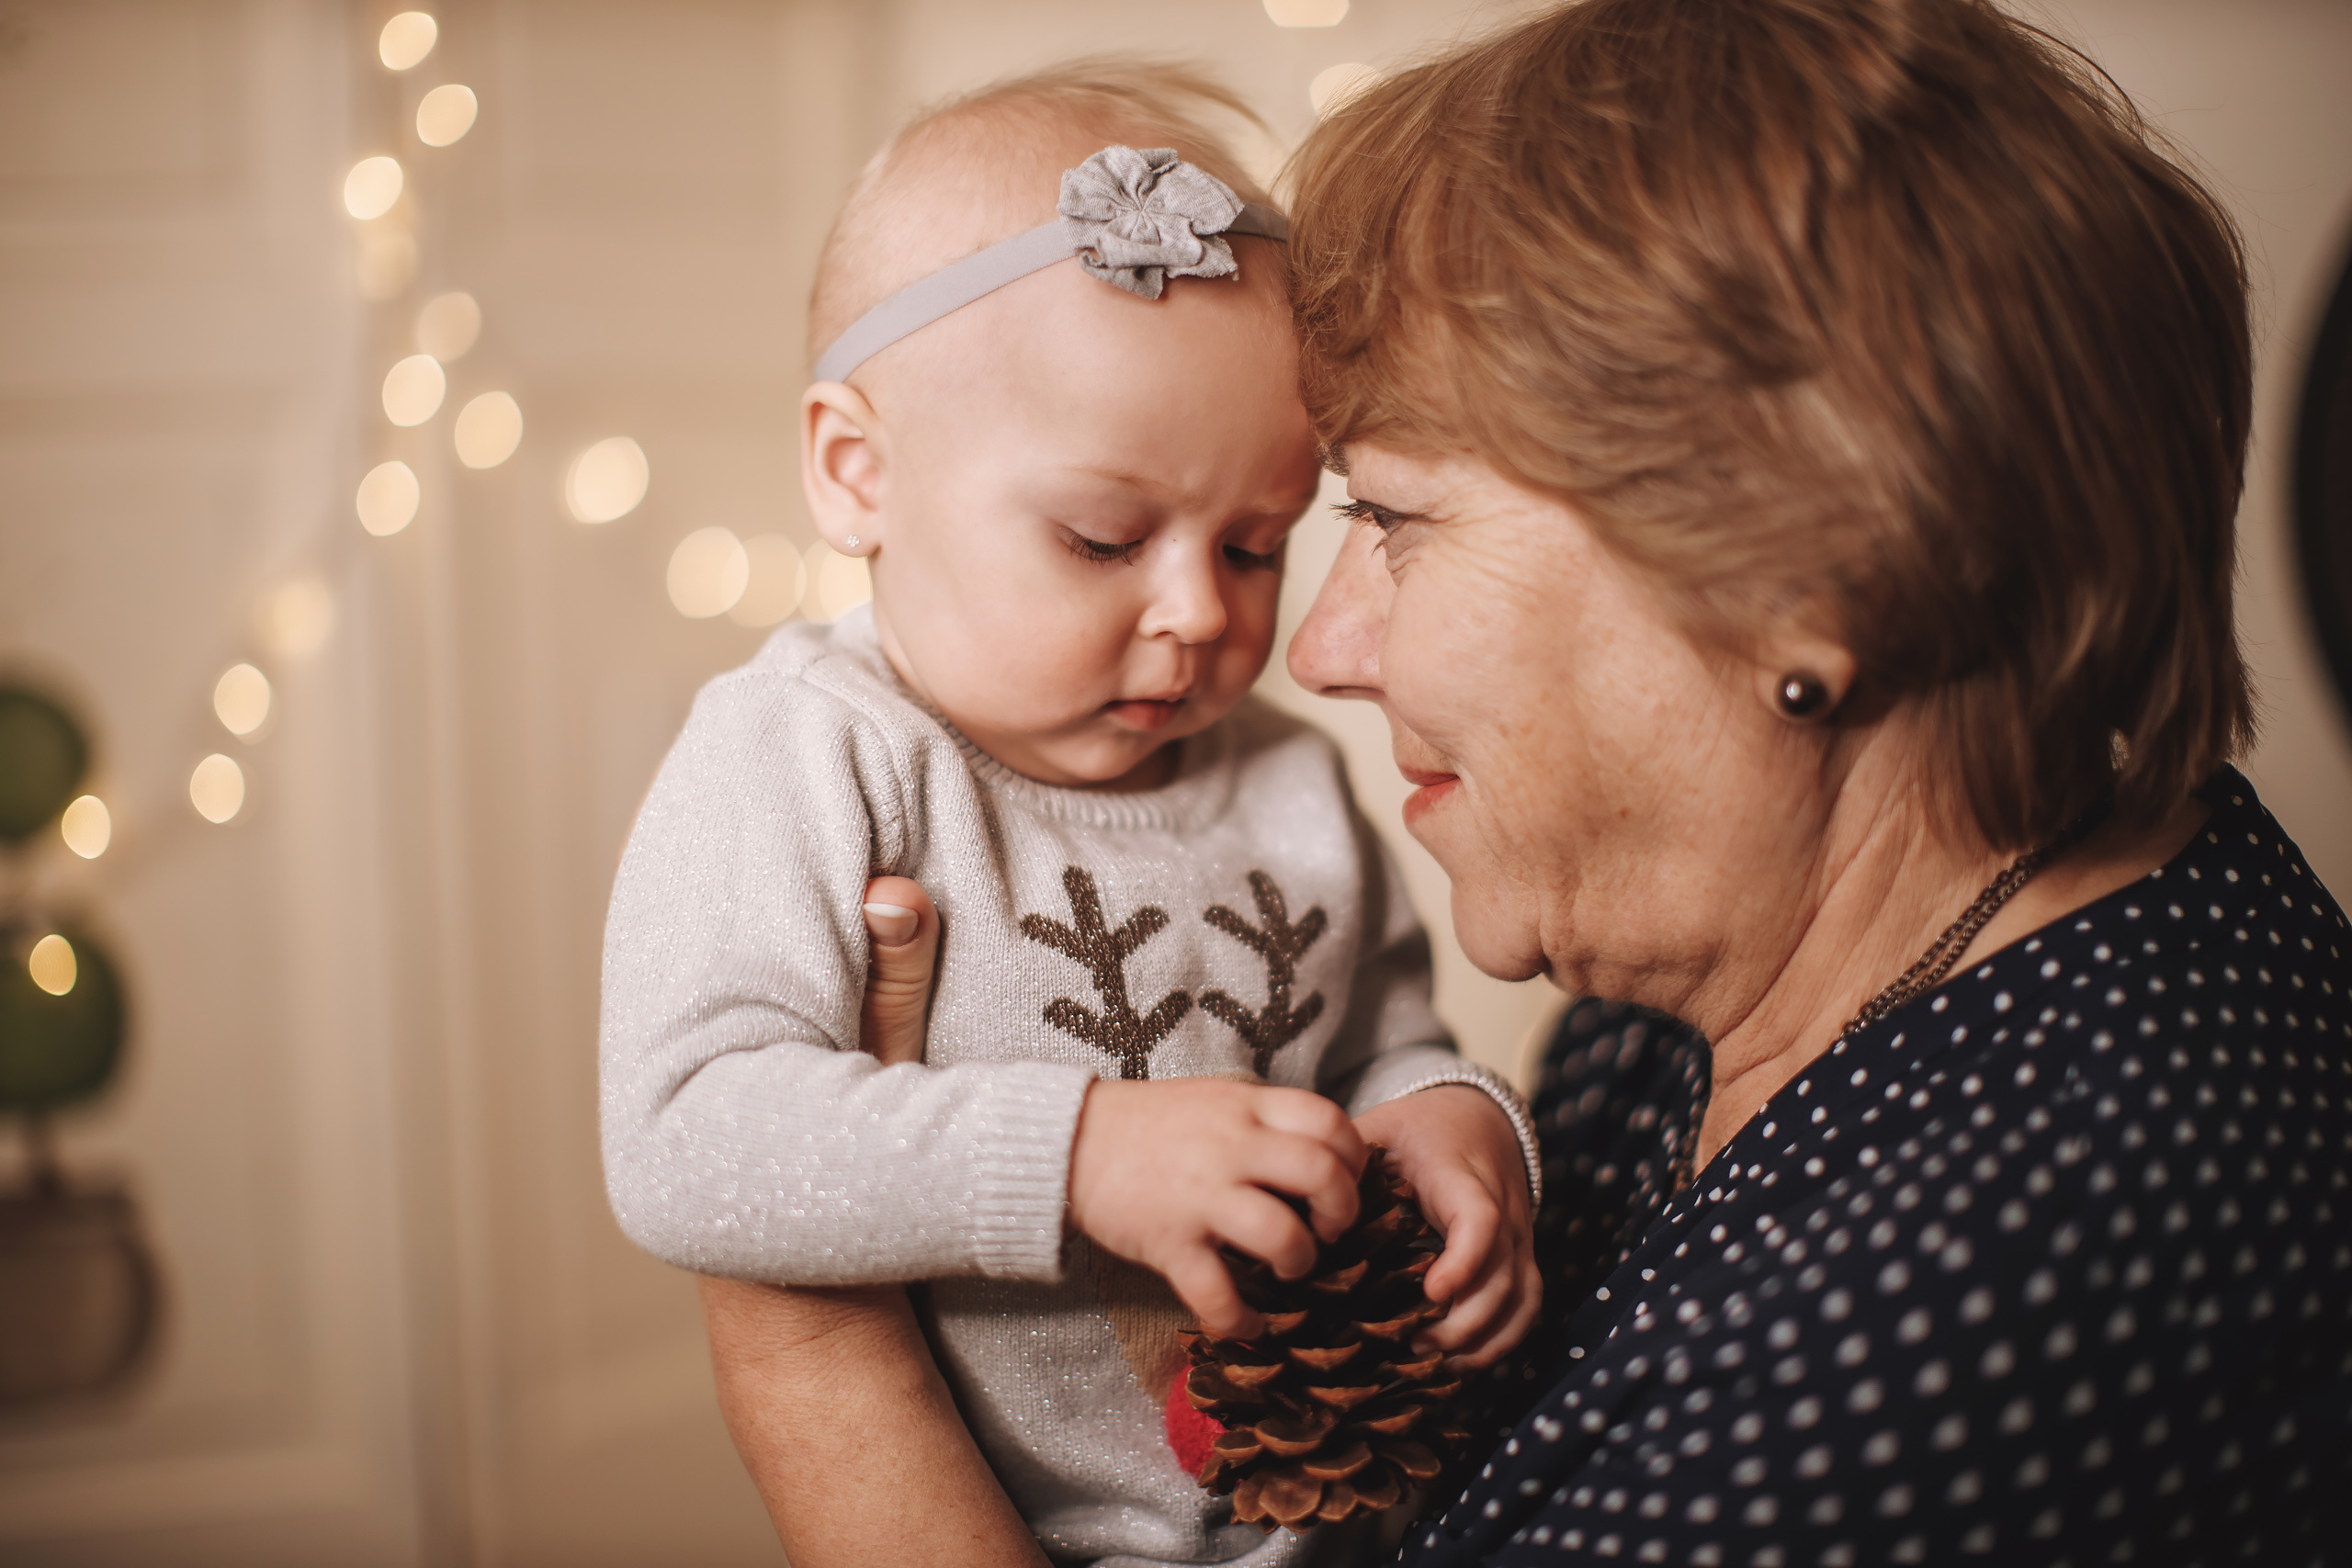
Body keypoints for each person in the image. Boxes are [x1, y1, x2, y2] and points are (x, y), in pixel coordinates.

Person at [702, 1, 2352, 1564]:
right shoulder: (1700, 977)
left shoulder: (2012, 1275)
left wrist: (806, 1322)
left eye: (1390, 519)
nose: (1314, 651)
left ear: (1809, 584)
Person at [597, 62, 1541, 1568]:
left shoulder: (1285, 780)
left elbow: (1382, 1040)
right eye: (1104, 538)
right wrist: (1080, 1154)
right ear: (856, 473)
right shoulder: (812, 752)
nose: (1198, 613)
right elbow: (686, 1136)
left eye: (1255, 546)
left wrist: (1452, 1119)